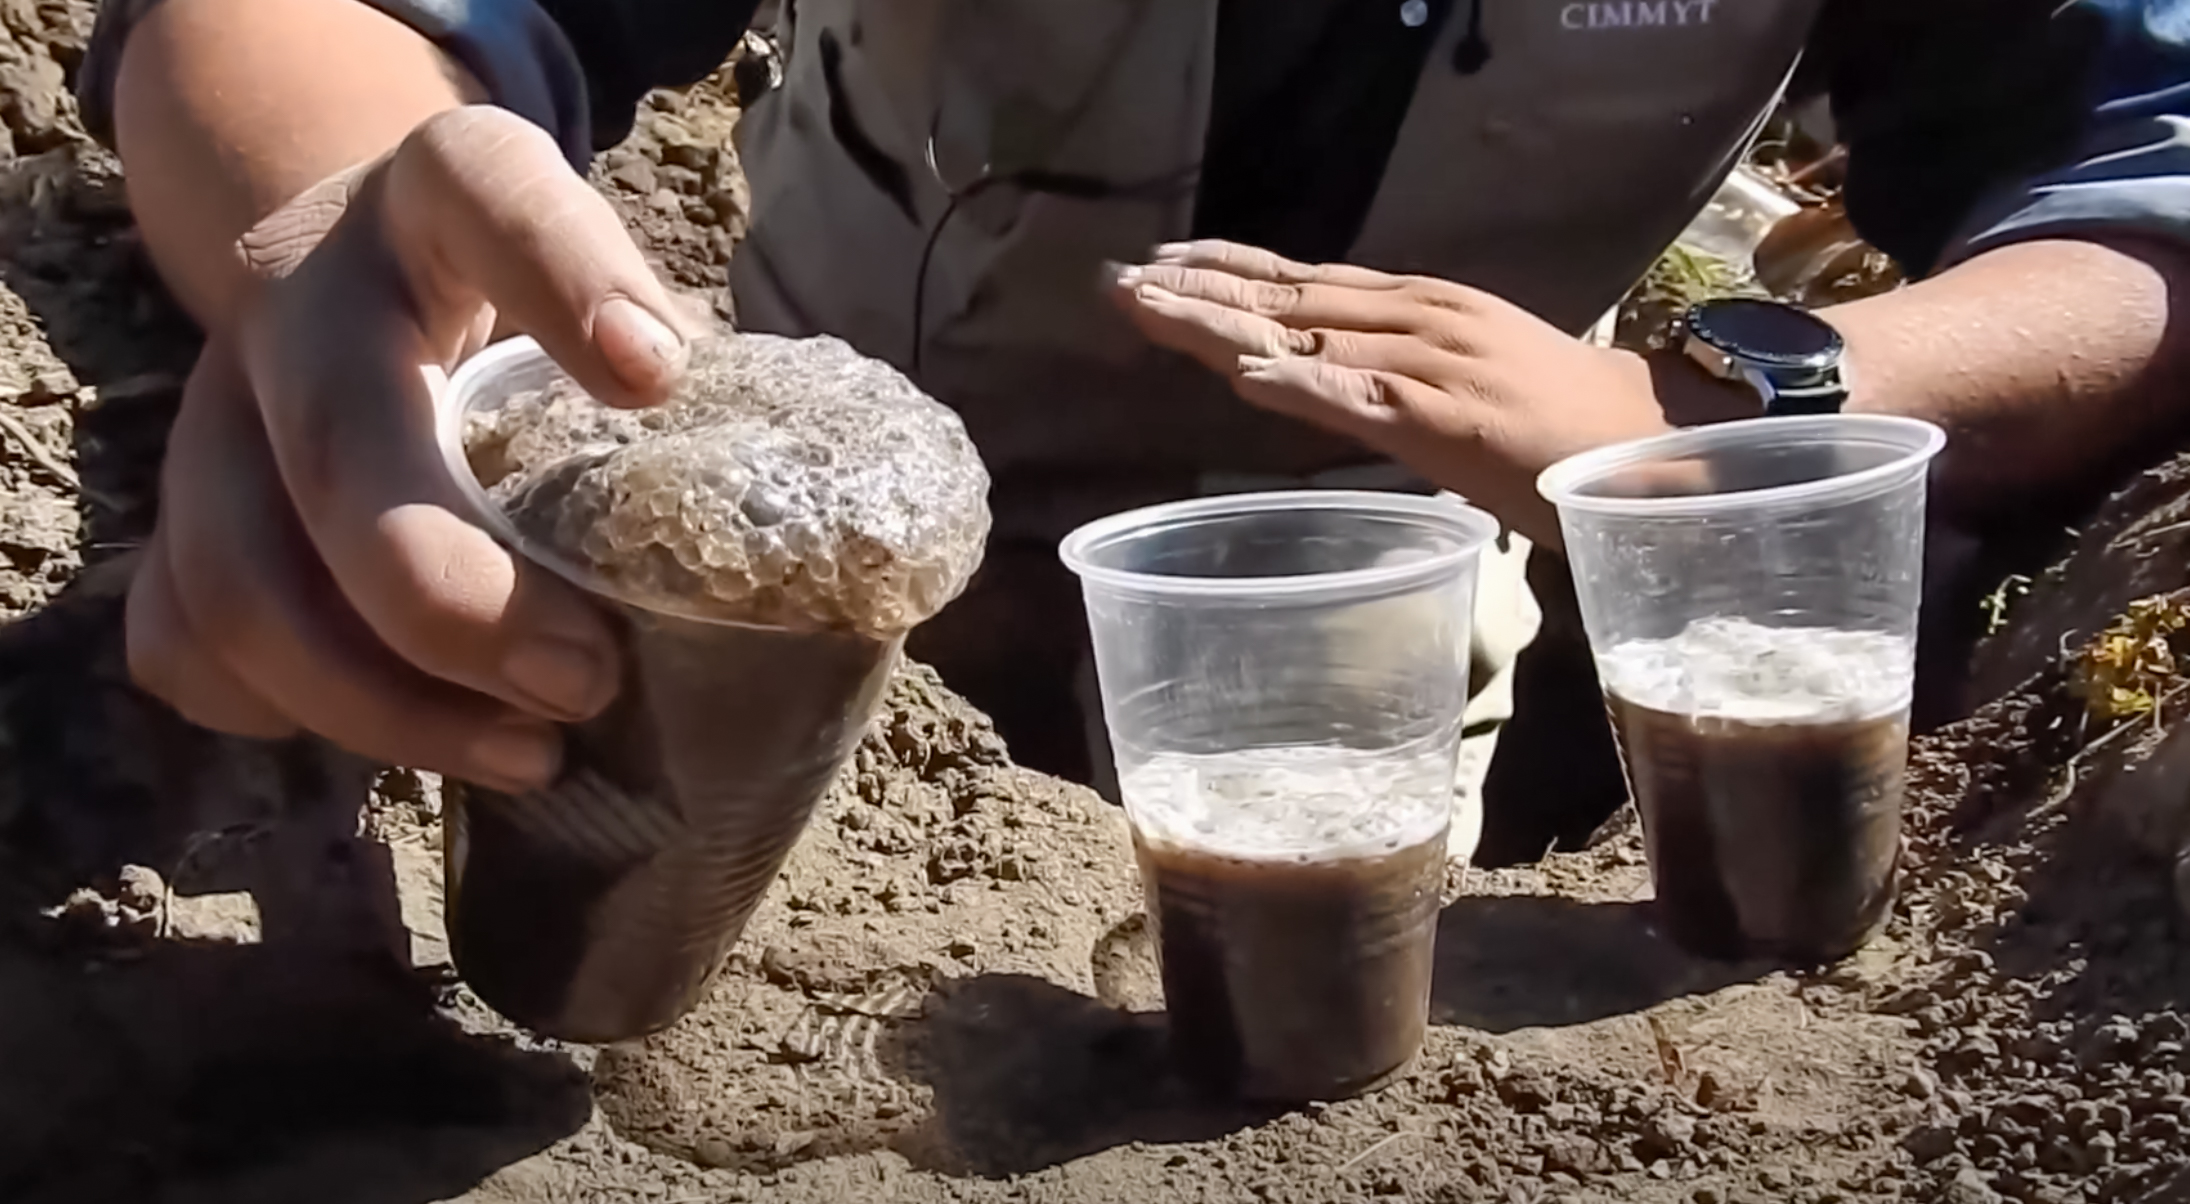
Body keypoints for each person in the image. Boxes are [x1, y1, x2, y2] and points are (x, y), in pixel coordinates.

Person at [82, 0, 2190, 864]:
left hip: (1392, 594)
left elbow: (2139, 188)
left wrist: (1684, 407)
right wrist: (313, 237)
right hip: (788, 580)